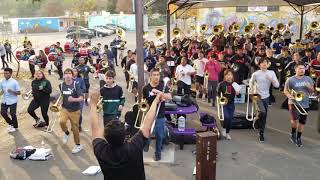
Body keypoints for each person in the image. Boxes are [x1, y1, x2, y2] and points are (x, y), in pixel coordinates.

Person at [90, 86, 166, 180]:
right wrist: (155, 102)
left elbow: (95, 129)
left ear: (105, 137)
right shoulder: (133, 146)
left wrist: (93, 104)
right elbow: (146, 126)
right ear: (125, 134)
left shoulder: (101, 150)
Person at [142, 68, 172, 161]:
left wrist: (159, 93)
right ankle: (146, 143)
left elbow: (169, 97)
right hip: (149, 114)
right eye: (154, 75)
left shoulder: (163, 86)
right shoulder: (146, 88)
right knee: (148, 132)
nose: (156, 77)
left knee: (160, 135)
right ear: (150, 76)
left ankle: (158, 153)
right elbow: (144, 101)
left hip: (160, 114)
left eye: (157, 75)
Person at [284, 62, 314, 147]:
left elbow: (312, 91)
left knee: (302, 122)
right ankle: (293, 133)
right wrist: (289, 96)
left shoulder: (308, 79)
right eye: (300, 68)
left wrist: (309, 87)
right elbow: (285, 90)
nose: (302, 70)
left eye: (303, 69)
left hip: (305, 103)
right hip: (293, 103)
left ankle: (299, 137)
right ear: (295, 69)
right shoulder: (290, 79)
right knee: (295, 120)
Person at [249, 58, 279, 142]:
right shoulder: (256, 74)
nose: (264, 64)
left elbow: (277, 85)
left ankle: (261, 133)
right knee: (263, 112)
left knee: (264, 116)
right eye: (262, 63)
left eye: (266, 62)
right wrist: (253, 88)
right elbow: (250, 83)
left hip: (266, 96)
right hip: (257, 96)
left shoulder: (271, 73)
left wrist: (271, 79)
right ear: (259, 65)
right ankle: (256, 120)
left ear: (268, 64)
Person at [59, 68, 84, 154]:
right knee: (61, 122)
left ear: (72, 75)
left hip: (75, 110)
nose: (68, 75)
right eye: (66, 73)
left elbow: (81, 98)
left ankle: (78, 145)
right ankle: (66, 132)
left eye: (69, 73)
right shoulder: (61, 85)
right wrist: (57, 101)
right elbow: (62, 95)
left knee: (75, 129)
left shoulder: (75, 85)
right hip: (65, 108)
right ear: (64, 75)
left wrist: (73, 99)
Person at [217, 69, 239, 140]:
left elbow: (239, 96)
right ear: (225, 76)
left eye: (230, 75)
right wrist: (220, 98)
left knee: (230, 119)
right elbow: (217, 94)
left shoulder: (234, 84)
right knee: (226, 117)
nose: (229, 76)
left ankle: (227, 133)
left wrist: (237, 93)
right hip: (224, 104)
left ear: (232, 76)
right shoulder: (221, 84)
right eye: (227, 75)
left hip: (231, 103)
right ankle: (224, 128)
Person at [0, 68, 21, 133]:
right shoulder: (2, 81)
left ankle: (15, 126)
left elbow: (19, 93)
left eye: (7, 73)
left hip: (13, 101)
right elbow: (2, 90)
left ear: (11, 74)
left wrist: (12, 91)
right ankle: (11, 123)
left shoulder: (14, 82)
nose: (5, 75)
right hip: (4, 100)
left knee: (12, 114)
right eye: (4, 73)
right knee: (3, 113)